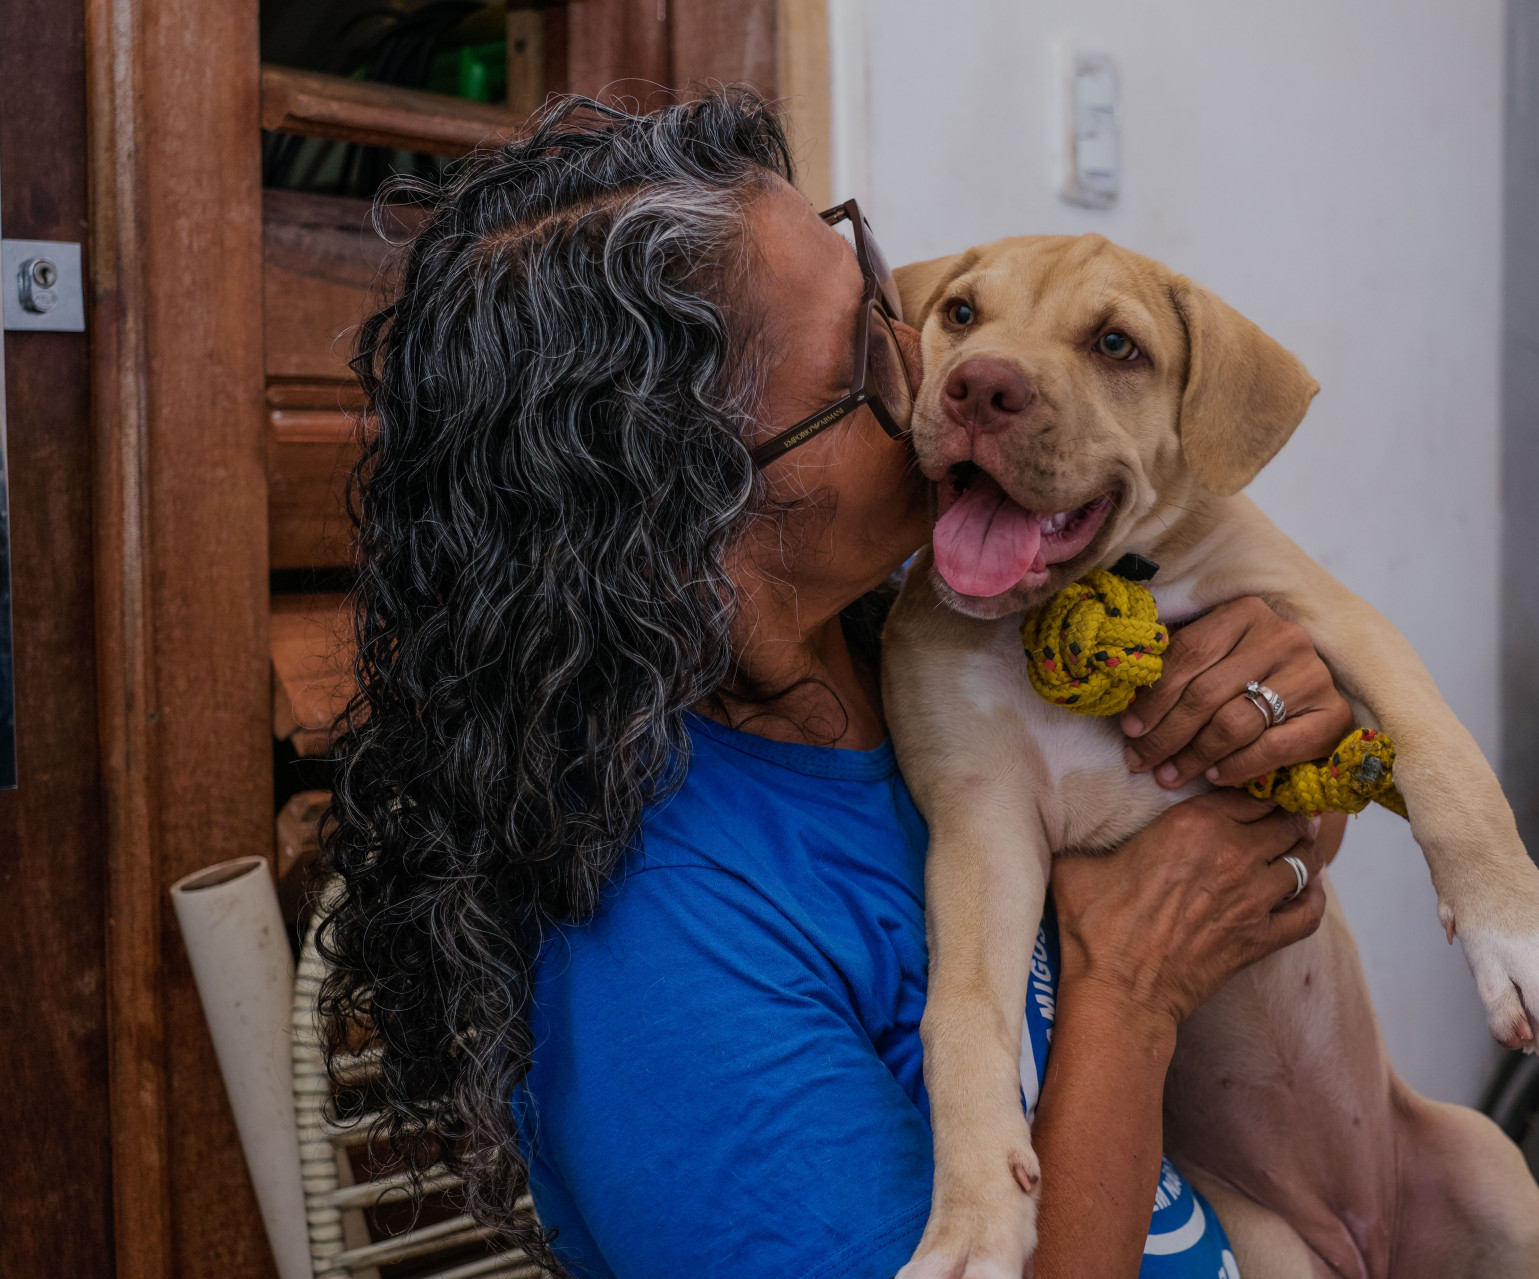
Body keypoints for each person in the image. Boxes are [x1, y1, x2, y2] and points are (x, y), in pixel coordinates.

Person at [321, 89, 1356, 1278]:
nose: (942, 369)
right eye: (866, 365)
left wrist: (1273, 722)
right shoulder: (660, 957)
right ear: (681, 513)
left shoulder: (931, 645)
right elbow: (1148, 946)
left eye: (893, 303)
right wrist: (1131, 992)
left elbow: (1247, 877)